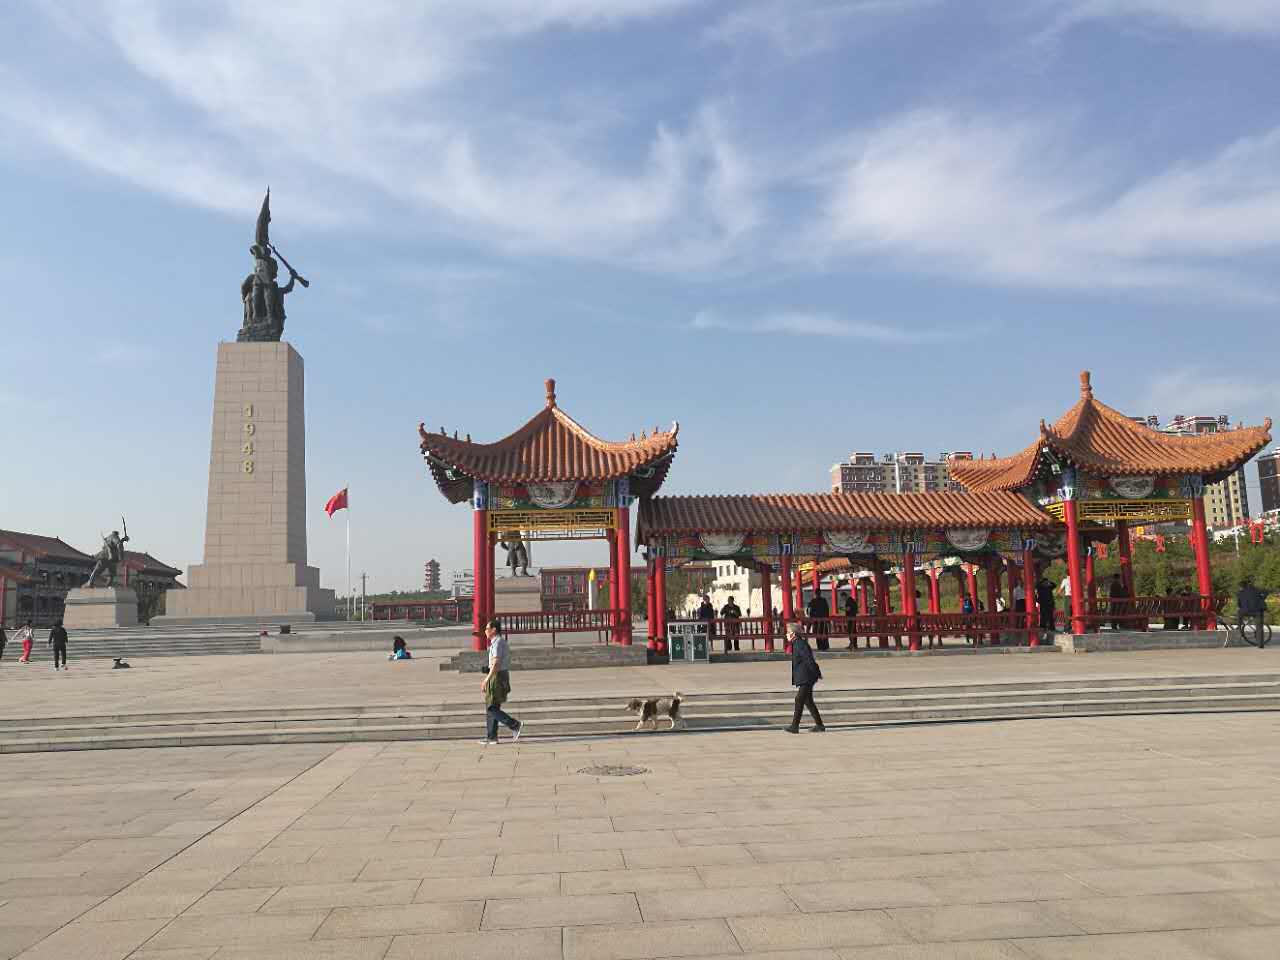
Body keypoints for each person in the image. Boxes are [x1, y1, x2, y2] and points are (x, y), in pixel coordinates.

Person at [480, 619, 523, 744]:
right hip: (498, 674)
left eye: (487, 629)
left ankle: (514, 724)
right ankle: (492, 737)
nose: (485, 631)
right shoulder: (498, 642)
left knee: (491, 707)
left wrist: (486, 679)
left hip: (497, 677)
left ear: (494, 630)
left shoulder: (498, 642)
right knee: (493, 706)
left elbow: (497, 663)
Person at [784, 623, 824, 734]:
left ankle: (794, 726)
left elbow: (808, 659)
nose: (786, 634)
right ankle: (819, 725)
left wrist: (816, 672)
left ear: (793, 633)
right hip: (806, 675)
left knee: (799, 699)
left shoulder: (800, 644)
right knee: (808, 701)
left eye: (788, 632)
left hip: (807, 676)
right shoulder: (797, 643)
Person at [1237, 578, 1269, 646]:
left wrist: (1242, 607)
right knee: (1259, 627)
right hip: (1257, 611)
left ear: (1242, 586)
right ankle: (1260, 644)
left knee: (1239, 614)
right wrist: (1262, 598)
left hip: (1245, 611)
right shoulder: (1257, 589)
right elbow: (1266, 592)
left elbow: (1239, 604)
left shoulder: (1240, 592)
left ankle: (1239, 629)